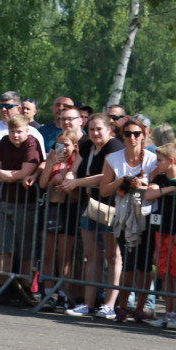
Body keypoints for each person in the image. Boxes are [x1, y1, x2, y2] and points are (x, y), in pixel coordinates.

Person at [63, 112, 124, 318]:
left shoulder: (114, 147)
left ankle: (109, 304)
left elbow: (105, 176)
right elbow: (75, 168)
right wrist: (70, 176)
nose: (95, 133)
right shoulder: (88, 145)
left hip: (111, 205)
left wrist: (76, 182)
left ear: (109, 129)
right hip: (89, 205)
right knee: (91, 256)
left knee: (112, 256)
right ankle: (88, 303)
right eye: (91, 129)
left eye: (99, 129)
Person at [99, 117, 157, 322]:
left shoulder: (152, 159)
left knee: (145, 264)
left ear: (144, 135)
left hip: (148, 215)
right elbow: (104, 189)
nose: (132, 138)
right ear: (122, 136)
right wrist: (120, 182)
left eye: (136, 134)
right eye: (128, 134)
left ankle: (141, 307)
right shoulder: (113, 159)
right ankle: (122, 306)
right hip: (124, 217)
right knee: (128, 263)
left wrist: (140, 186)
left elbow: (157, 187)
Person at [0, 114, 42, 304]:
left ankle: (25, 291)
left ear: (26, 131)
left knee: (26, 250)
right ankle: (3, 289)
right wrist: (2, 174)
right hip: (5, 200)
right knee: (2, 247)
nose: (15, 135)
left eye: (19, 131)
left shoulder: (31, 142)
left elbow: (25, 172)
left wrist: (2, 174)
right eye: (12, 132)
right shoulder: (4, 141)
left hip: (26, 203)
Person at [145, 143, 176, 329]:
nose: (157, 163)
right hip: (162, 232)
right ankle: (167, 313)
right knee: (164, 274)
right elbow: (149, 194)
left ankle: (175, 314)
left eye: (160, 160)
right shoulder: (161, 178)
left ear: (171, 161)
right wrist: (171, 190)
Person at [38, 128, 80, 311]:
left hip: (68, 209)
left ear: (74, 146)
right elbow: (42, 183)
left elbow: (78, 193)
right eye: (59, 144)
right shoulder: (53, 159)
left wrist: (65, 182)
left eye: (66, 145)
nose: (62, 148)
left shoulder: (75, 164)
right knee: (47, 254)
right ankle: (47, 293)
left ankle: (63, 294)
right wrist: (51, 164)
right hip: (51, 208)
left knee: (64, 256)